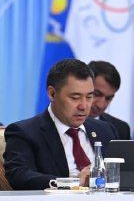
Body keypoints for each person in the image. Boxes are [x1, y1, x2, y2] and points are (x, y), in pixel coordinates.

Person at [3, 59, 116, 190]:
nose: (84, 106)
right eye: (75, 97)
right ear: (52, 94)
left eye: (89, 97)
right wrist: (72, 183)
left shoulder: (105, 130)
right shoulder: (25, 132)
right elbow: (18, 176)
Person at [87, 60, 131, 140]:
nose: (101, 105)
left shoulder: (120, 129)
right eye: (96, 94)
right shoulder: (64, 122)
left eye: (108, 98)